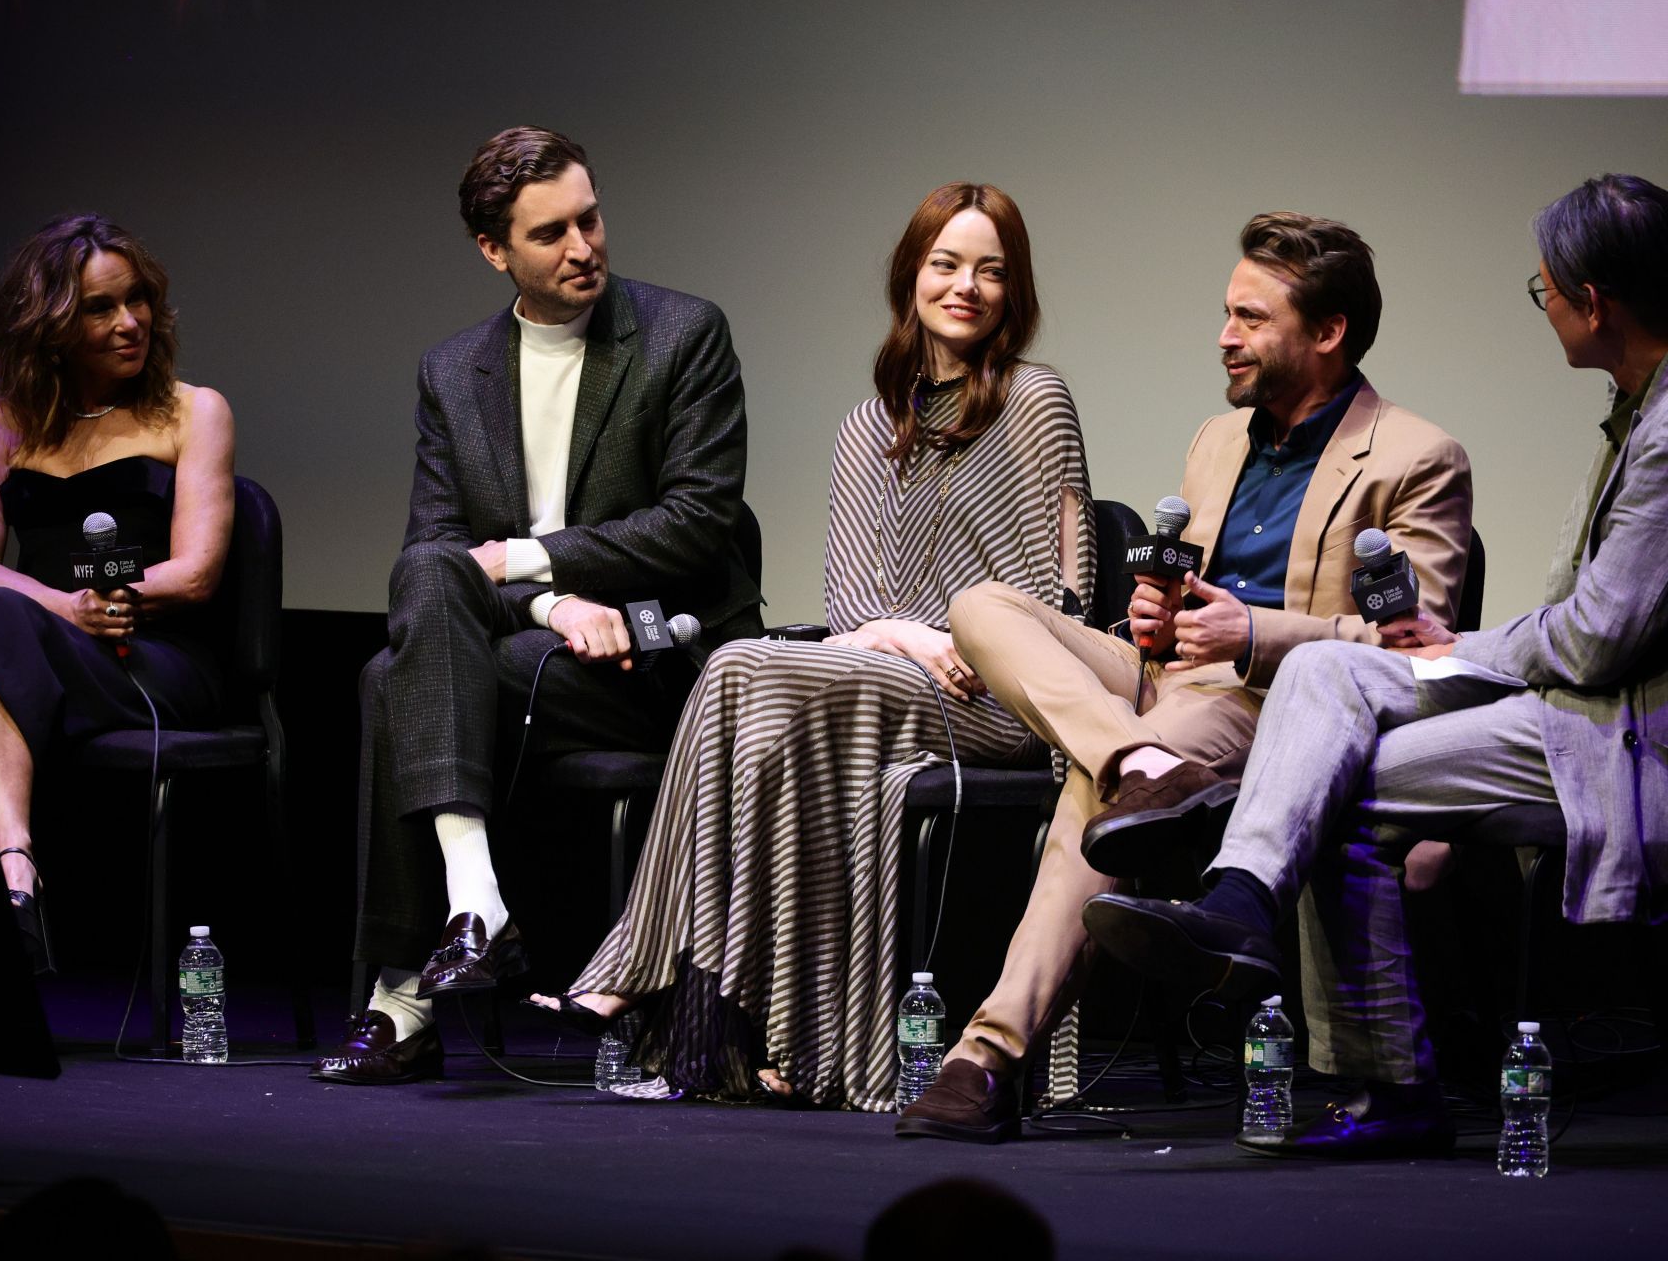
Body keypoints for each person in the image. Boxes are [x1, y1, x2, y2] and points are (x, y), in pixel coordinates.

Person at [1083, 173, 1668, 1158]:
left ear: (1595, 302)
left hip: (1614, 722)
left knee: (1332, 772)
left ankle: (1390, 1082)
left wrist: (1458, 647)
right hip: (1570, 688)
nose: (1547, 309)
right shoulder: (1634, 406)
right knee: (1322, 680)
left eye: (1547, 292)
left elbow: (1596, 639)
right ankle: (1244, 896)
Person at [896, 212, 1475, 1142]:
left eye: (1250, 319)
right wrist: (1154, 618)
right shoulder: (1217, 438)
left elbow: (1420, 645)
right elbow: (1175, 597)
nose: (1224, 337)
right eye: (1225, 314)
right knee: (981, 607)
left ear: (1325, 333)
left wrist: (1252, 633)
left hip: (1271, 704)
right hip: (1158, 685)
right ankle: (1142, 766)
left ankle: (987, 1057)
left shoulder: (1416, 457)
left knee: (1099, 779)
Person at [527, 181, 1095, 1110]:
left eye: (991, 271)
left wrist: (938, 637)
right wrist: (906, 635)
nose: (967, 287)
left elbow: (1056, 599)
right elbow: (853, 607)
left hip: (994, 697)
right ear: (911, 275)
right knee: (743, 672)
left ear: (1014, 290)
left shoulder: (1036, 403)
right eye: (946, 264)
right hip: (885, 672)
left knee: (750, 666)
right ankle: (749, 1040)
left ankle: (640, 972)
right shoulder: (871, 425)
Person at [316, 127, 762, 1084]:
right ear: (495, 250)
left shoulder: (683, 335)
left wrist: (527, 560)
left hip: (657, 655)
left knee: (393, 678)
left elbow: (695, 524)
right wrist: (550, 608)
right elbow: (433, 552)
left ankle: (406, 993)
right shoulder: (452, 372)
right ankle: (475, 902)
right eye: (552, 232)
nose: (584, 247)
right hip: (546, 647)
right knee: (417, 611)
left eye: (591, 219)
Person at [0, 214, 235, 973]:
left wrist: (107, 602)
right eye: (101, 308)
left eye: (136, 300)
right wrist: (63, 611)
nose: (130, 322)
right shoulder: (7, 424)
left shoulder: (193, 412)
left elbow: (195, 570)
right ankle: (12, 882)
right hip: (45, 645)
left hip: (152, 662)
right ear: (53, 325)